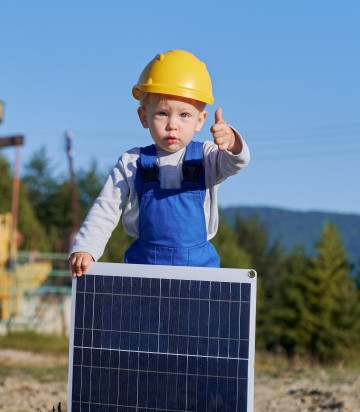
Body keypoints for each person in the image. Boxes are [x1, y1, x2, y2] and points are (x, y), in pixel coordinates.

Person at [69, 49, 250, 277]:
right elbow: (106, 207)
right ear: (144, 117)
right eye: (162, 113)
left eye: (184, 115)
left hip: (200, 275)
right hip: (144, 272)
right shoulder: (131, 162)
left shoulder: (208, 155)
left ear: (200, 120)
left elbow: (236, 163)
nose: (172, 124)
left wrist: (232, 142)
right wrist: (87, 247)